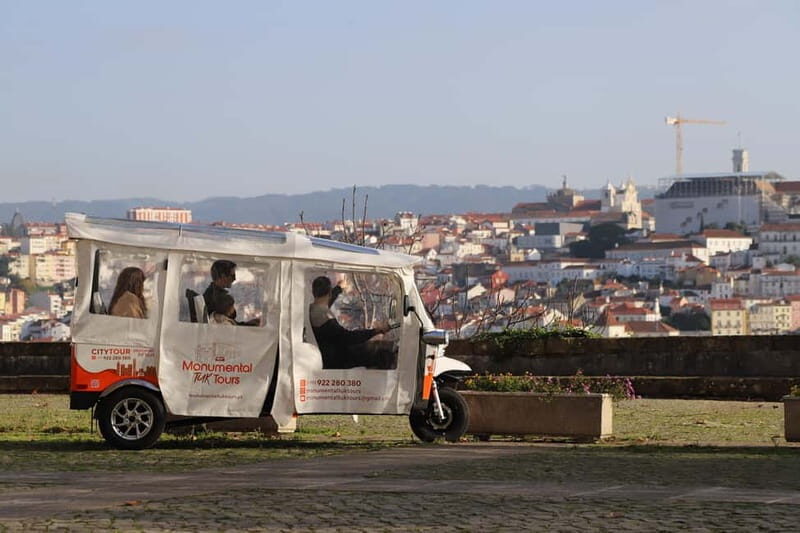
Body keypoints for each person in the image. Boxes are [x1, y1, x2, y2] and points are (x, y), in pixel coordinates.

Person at [309, 276, 391, 369]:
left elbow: (325, 302)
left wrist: (339, 288)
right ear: (329, 293)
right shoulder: (326, 319)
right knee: (381, 352)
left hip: (327, 354)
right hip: (335, 360)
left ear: (313, 292)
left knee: (373, 346)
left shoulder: (312, 310)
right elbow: (348, 337)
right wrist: (376, 331)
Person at [203, 259, 259, 326]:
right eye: (232, 275)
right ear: (223, 276)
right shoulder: (220, 299)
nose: (234, 278)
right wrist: (249, 325)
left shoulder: (211, 293)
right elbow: (228, 326)